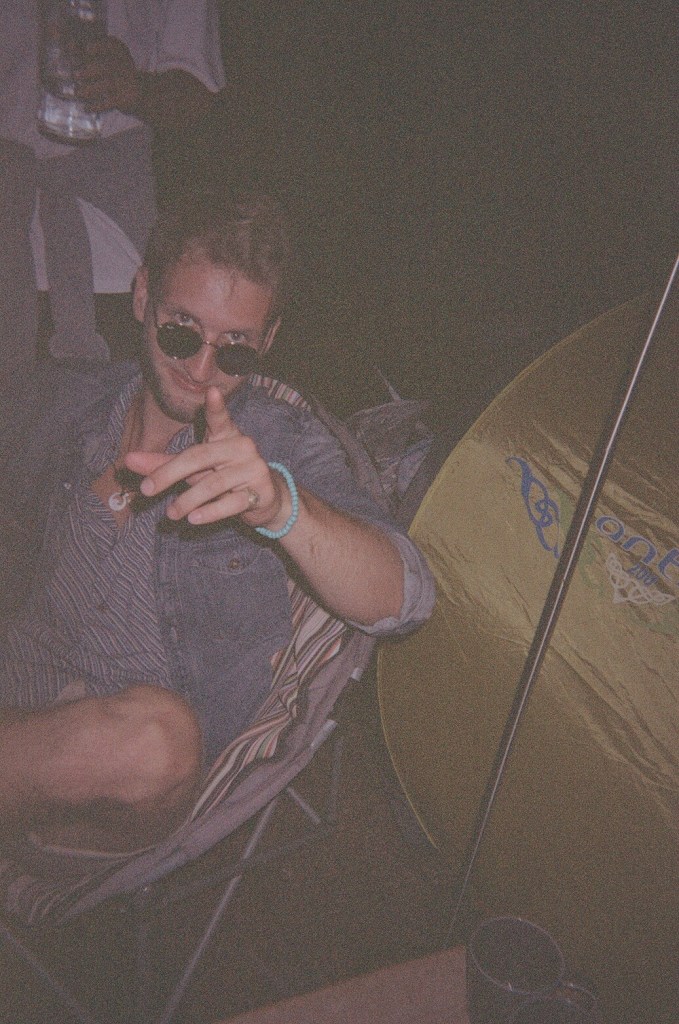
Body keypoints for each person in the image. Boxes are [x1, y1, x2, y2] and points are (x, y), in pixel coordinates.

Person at [0, 190, 435, 853]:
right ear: (142, 296)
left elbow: (407, 598)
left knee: (155, 739)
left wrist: (280, 506)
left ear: (268, 340)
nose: (202, 370)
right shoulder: (68, 399)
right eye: (181, 329)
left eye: (235, 348)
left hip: (110, 789)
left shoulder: (278, 444)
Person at [0, 0, 225, 369]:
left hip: (108, 238)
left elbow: (198, 92)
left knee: (111, 387)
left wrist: (135, 87)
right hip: (10, 208)